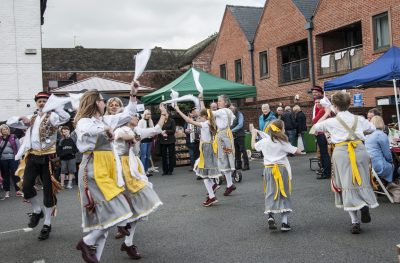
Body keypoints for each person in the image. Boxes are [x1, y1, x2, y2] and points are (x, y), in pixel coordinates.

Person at [74, 83, 138, 263]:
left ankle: (89, 245)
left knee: (110, 218)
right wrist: (105, 129)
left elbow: (127, 115)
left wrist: (132, 96)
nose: (105, 103)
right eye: (102, 100)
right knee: (116, 213)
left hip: (107, 169)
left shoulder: (104, 120)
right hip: (93, 170)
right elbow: (86, 130)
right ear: (96, 103)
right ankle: (87, 242)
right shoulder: (84, 121)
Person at [7, 91, 70, 240]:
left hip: (48, 157)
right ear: (36, 103)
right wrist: (21, 119)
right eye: (40, 101)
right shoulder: (33, 117)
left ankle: (47, 224)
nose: (42, 103)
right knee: (26, 185)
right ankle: (37, 211)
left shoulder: (54, 116)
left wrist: (55, 107)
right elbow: (10, 122)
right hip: (33, 156)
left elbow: (66, 117)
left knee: (48, 192)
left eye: (45, 101)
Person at [313, 91, 378, 234]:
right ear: (349, 104)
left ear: (335, 105)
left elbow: (314, 128)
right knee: (361, 180)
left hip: (342, 152)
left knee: (345, 183)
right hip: (360, 149)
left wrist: (326, 112)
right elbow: (373, 129)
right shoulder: (359, 118)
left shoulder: (331, 121)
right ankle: (363, 204)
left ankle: (355, 221)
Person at [113, 104, 166, 258]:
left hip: (134, 167)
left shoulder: (136, 130)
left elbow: (155, 130)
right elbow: (118, 136)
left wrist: (163, 114)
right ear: (127, 118)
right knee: (127, 206)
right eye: (135, 115)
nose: (138, 116)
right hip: (122, 169)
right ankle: (116, 231)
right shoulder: (120, 129)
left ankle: (128, 242)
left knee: (138, 209)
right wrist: (132, 137)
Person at [251, 120, 301, 232]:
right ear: (281, 129)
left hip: (268, 169)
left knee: (270, 192)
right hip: (281, 169)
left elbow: (253, 146)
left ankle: (270, 216)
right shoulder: (283, 142)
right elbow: (297, 151)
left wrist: (254, 135)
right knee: (283, 192)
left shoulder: (265, 141)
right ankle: (284, 222)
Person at [175, 104, 221, 206]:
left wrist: (178, 110)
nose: (198, 118)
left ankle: (212, 196)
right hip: (208, 149)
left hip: (206, 149)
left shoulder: (205, 124)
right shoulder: (211, 123)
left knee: (203, 174)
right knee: (201, 170)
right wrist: (200, 99)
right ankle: (213, 186)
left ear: (205, 117)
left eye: (200, 117)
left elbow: (188, 120)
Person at [200, 93, 237, 196]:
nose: (218, 102)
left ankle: (223, 183)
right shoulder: (229, 111)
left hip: (222, 137)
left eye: (220, 101)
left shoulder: (221, 111)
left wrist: (201, 100)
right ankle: (229, 184)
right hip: (228, 136)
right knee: (227, 158)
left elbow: (206, 113)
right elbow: (232, 120)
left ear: (225, 103)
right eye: (218, 101)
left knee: (221, 158)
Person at [365, 116, 394, 185]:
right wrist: (391, 161)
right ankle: (390, 186)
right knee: (393, 165)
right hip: (378, 166)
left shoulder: (367, 135)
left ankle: (381, 185)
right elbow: (387, 154)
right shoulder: (381, 135)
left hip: (368, 165)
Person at [0, 124, 22, 198]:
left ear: (8, 130)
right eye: (3, 129)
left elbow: (19, 147)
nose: (5, 130)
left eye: (6, 129)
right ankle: (7, 192)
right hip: (3, 159)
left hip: (13, 158)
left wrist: (19, 157)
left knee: (15, 174)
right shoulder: (0, 138)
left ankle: (18, 190)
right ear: (1, 131)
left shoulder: (13, 136)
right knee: (5, 175)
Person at [312, 96, 331, 179]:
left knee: (324, 154)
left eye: (318, 102)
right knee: (324, 154)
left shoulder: (323, 110)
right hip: (322, 134)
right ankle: (325, 170)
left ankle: (327, 172)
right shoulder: (322, 110)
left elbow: (315, 121)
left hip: (322, 134)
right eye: (315, 102)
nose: (317, 104)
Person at [230, 104, 250, 170]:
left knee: (242, 150)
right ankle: (239, 165)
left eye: (232, 108)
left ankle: (246, 165)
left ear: (235, 107)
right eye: (230, 108)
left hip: (240, 135)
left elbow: (240, 124)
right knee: (236, 151)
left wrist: (231, 130)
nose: (231, 109)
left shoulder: (239, 114)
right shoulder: (230, 115)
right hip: (233, 135)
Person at [158, 111, 176, 175]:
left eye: (166, 114)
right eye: (164, 114)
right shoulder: (160, 121)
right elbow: (157, 129)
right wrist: (161, 133)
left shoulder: (172, 121)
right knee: (164, 156)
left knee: (171, 155)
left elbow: (173, 130)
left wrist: (166, 131)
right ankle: (165, 170)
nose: (165, 115)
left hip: (170, 140)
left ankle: (170, 170)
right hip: (162, 140)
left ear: (168, 114)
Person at [137, 109, 154, 176]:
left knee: (148, 156)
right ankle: (142, 171)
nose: (148, 115)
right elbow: (139, 130)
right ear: (144, 114)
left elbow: (153, 129)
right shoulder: (141, 121)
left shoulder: (151, 121)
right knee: (143, 156)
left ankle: (146, 171)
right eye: (147, 114)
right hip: (143, 140)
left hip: (149, 140)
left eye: (149, 114)